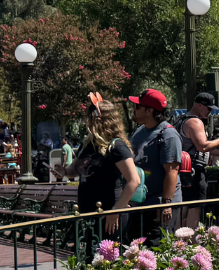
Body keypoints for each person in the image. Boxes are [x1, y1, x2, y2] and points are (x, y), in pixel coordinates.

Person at [69, 94, 138, 234]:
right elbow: (74, 171)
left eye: (90, 118)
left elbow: (134, 180)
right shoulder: (88, 145)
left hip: (109, 216)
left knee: (109, 248)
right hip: (89, 214)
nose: (87, 122)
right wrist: (62, 171)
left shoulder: (117, 146)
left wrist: (116, 210)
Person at [128, 89, 184, 234]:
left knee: (158, 245)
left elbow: (172, 171)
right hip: (141, 203)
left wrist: (166, 204)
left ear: (149, 111)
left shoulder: (168, 135)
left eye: (137, 106)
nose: (134, 109)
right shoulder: (140, 131)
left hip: (158, 206)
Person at [179, 92, 219, 206]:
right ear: (200, 105)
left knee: (186, 206)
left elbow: (198, 147)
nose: (210, 112)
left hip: (186, 170)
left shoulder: (184, 119)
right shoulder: (195, 122)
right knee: (195, 207)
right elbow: (203, 147)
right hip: (194, 171)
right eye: (209, 108)